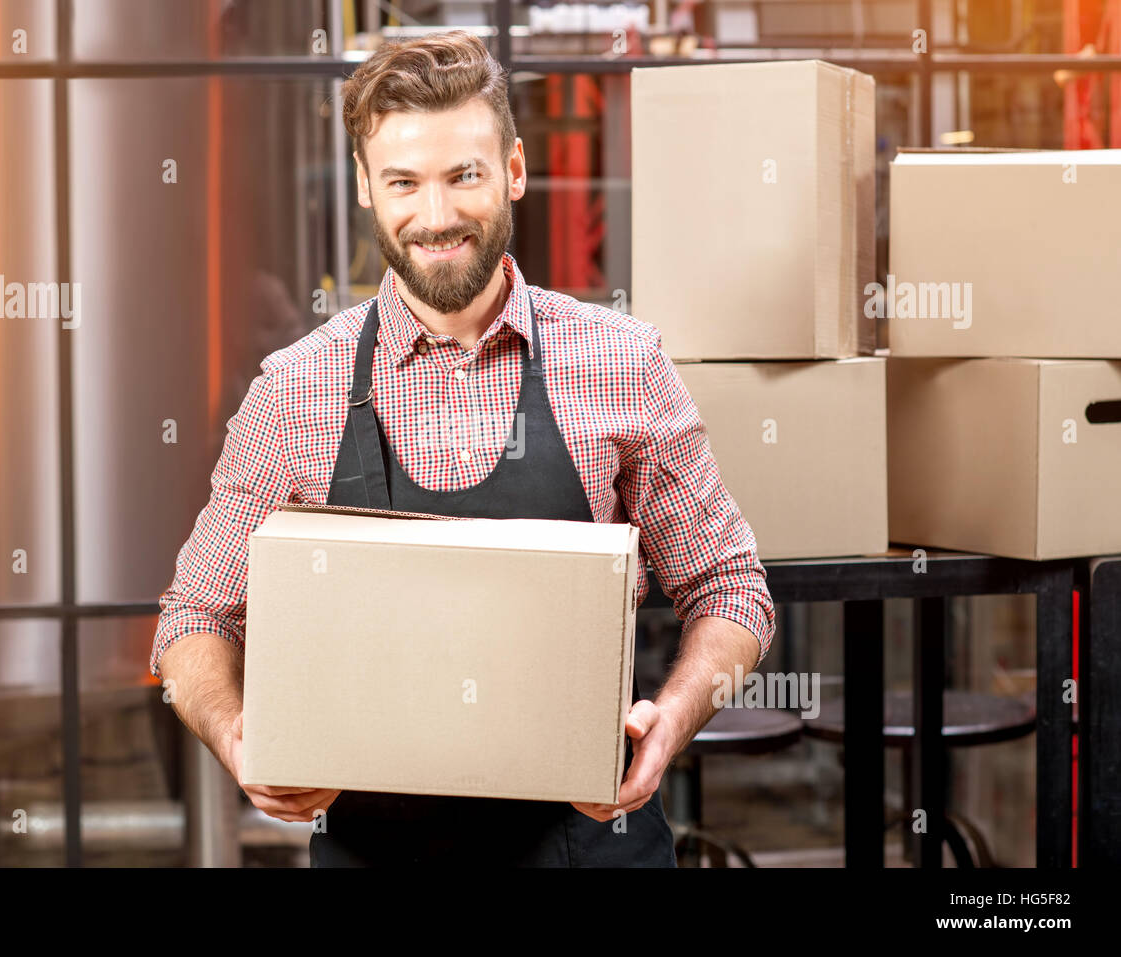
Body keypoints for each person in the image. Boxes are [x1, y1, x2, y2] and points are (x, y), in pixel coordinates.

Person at [152, 29, 775, 867]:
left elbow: (732, 588)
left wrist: (671, 719)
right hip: (373, 850)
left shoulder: (623, 361)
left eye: (465, 176)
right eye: (404, 181)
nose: (437, 215)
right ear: (366, 187)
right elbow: (192, 617)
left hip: (585, 842)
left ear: (513, 169)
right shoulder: (295, 389)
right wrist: (237, 735)